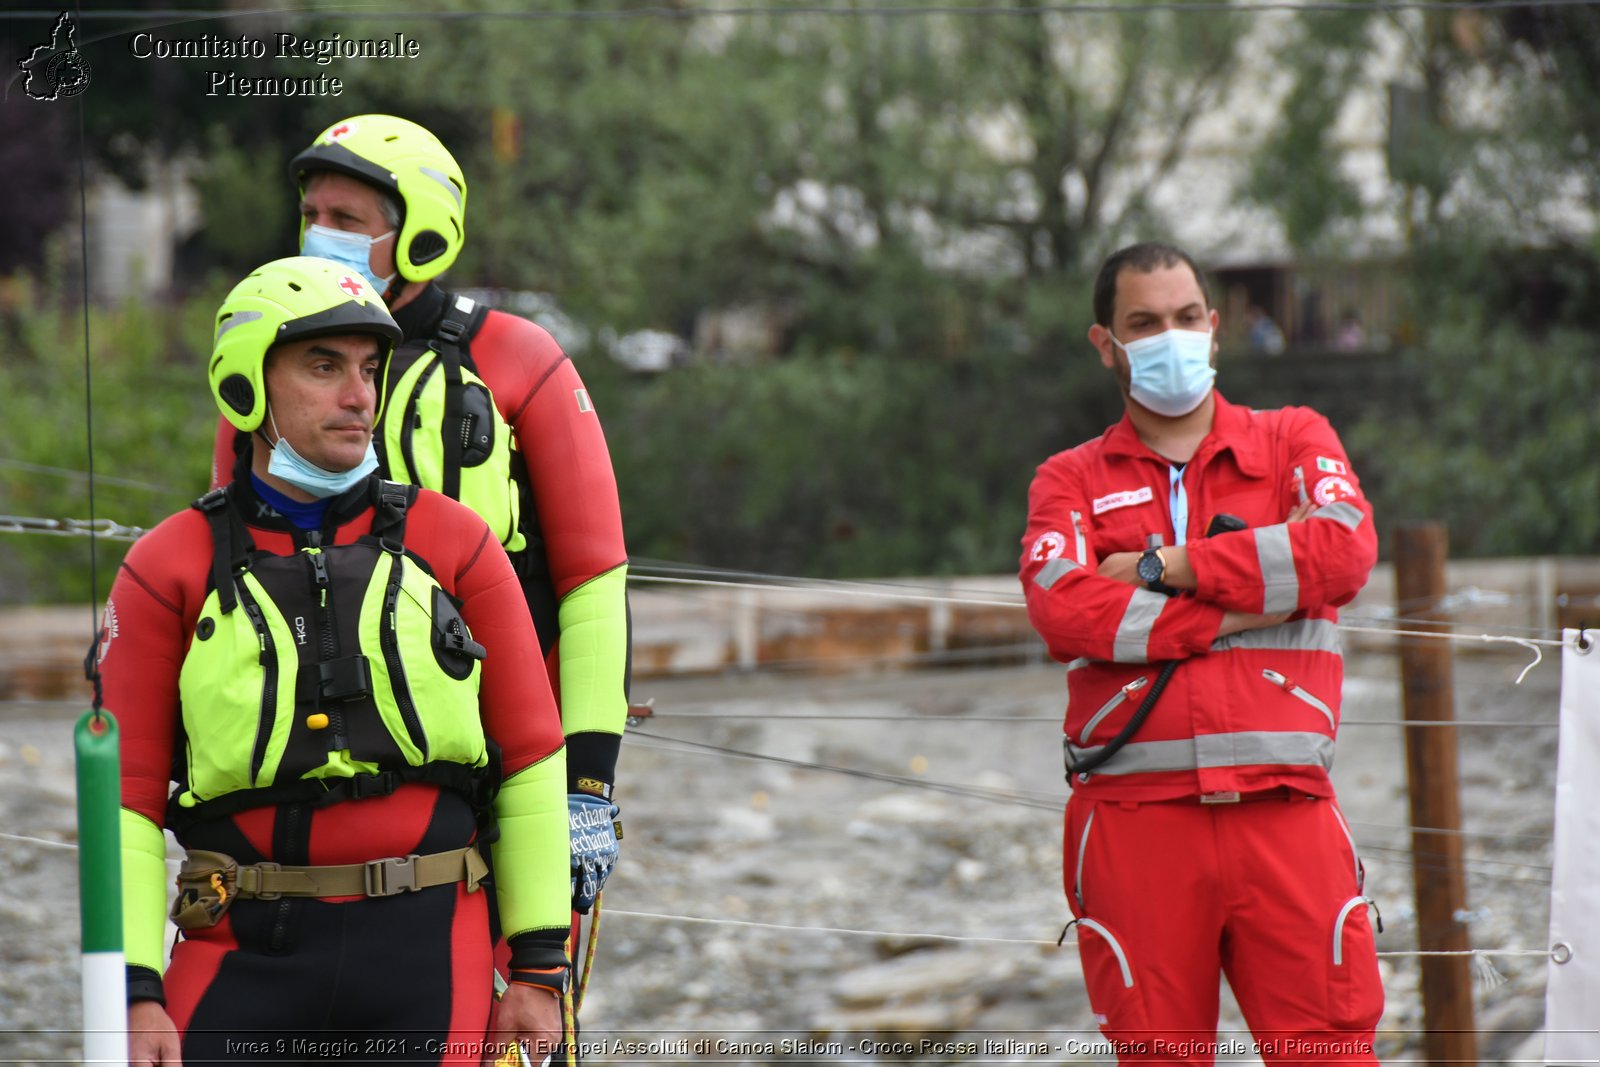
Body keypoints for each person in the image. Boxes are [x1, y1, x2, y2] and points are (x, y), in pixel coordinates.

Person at [113, 257, 570, 1065]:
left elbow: (531, 759)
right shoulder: (168, 565)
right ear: (247, 385)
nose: (359, 395)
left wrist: (536, 966)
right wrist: (136, 991)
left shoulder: (457, 542)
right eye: (324, 367)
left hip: (431, 953)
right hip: (240, 952)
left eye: (369, 369)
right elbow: (126, 804)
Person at [208, 115, 631, 974]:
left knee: (524, 1003)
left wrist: (587, 785)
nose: (319, 233)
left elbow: (593, 579)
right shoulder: (267, 368)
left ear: (425, 232)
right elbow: (228, 553)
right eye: (312, 212)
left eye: (348, 218)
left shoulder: (518, 357)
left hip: (509, 751)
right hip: (325, 769)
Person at [1018, 242, 1383, 1064]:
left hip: (1285, 815)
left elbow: (1344, 553)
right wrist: (1234, 615)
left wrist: (1166, 568)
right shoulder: (1067, 480)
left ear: (1214, 328)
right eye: (1143, 323)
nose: (1170, 337)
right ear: (1105, 343)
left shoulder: (1294, 439)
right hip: (1132, 826)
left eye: (1186, 318)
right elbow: (1063, 609)